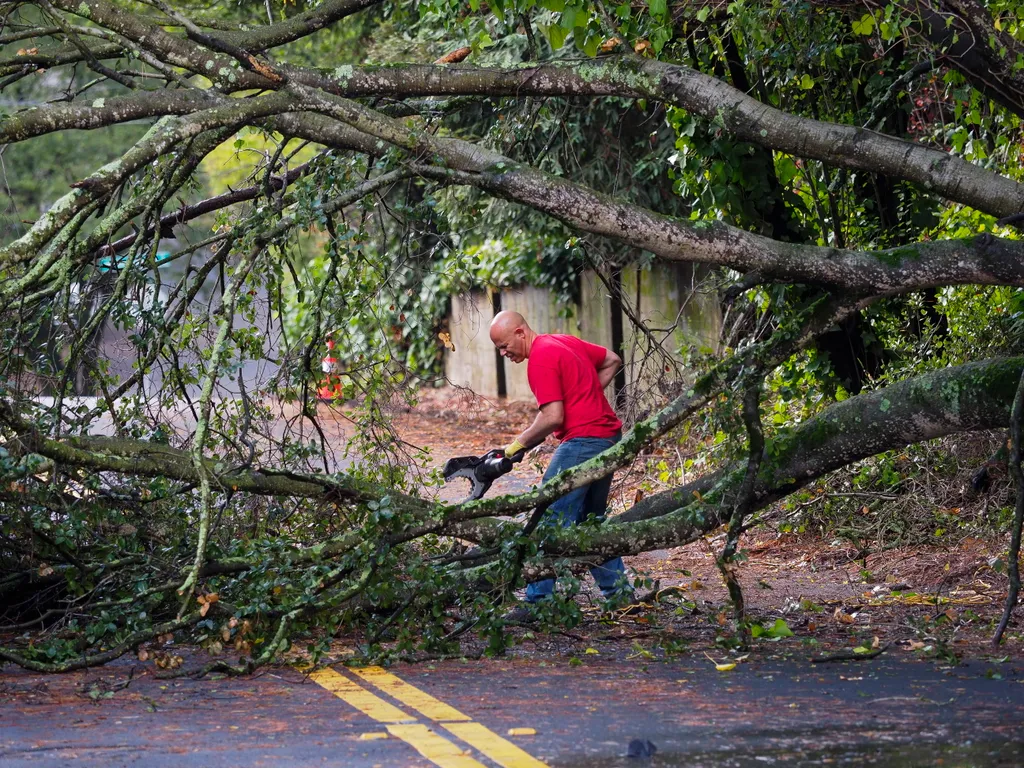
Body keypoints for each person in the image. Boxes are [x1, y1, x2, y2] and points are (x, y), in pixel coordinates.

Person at [488, 310, 633, 615]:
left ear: (519, 332)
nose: (503, 353)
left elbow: (553, 417)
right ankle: (619, 596)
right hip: (608, 437)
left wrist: (516, 445)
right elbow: (613, 359)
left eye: (503, 345)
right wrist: (585, 395)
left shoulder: (540, 359)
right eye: (498, 349)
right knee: (589, 521)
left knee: (548, 517)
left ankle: (539, 603)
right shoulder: (562, 341)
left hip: (584, 442)